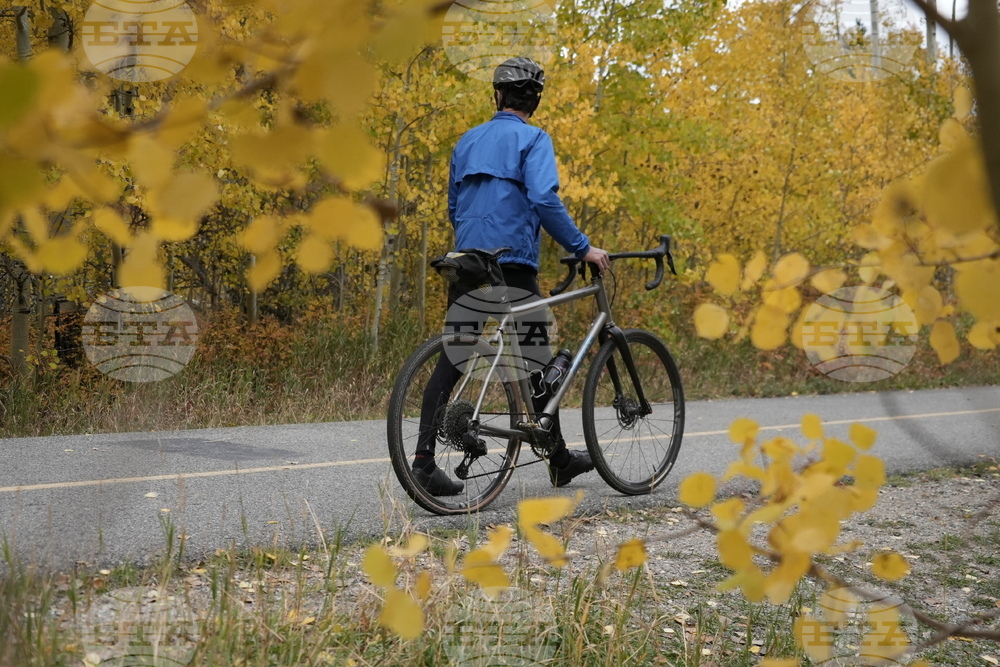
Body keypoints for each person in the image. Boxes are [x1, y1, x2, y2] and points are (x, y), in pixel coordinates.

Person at [412, 56, 611, 496]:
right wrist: (582, 247)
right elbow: (543, 197)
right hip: (513, 263)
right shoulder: (534, 139)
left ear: (498, 96)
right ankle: (557, 460)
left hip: (466, 258)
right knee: (536, 358)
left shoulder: (466, 142)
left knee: (454, 354)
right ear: (534, 101)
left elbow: (453, 205)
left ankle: (423, 462)